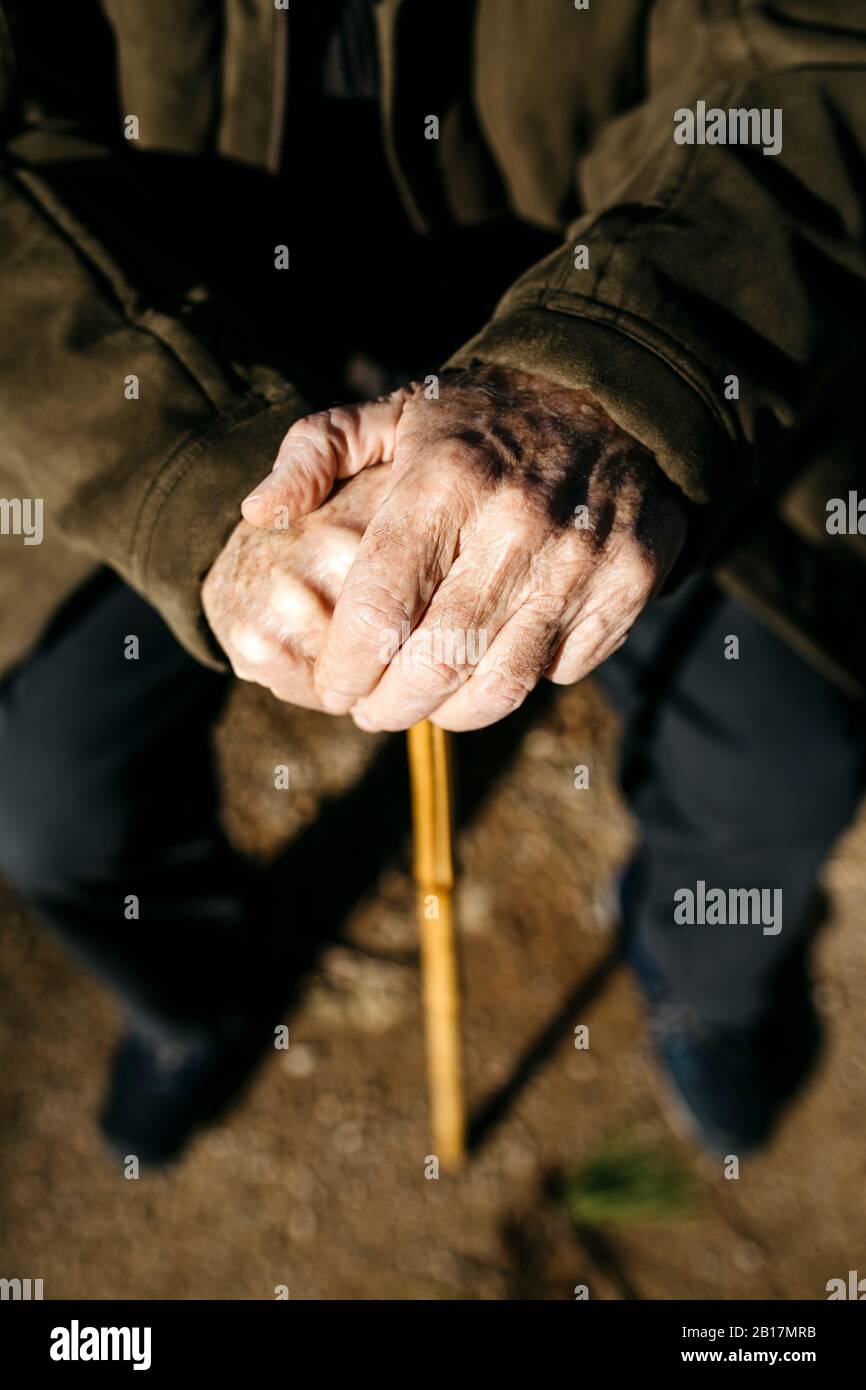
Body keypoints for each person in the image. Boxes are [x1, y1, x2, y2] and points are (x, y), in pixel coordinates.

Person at [0, 0, 864, 1163]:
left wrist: (616, 368)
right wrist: (193, 486)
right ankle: (195, 994)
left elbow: (827, 50)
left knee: (783, 769)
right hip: (159, 344)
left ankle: (701, 977)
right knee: (50, 807)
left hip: (618, 281)